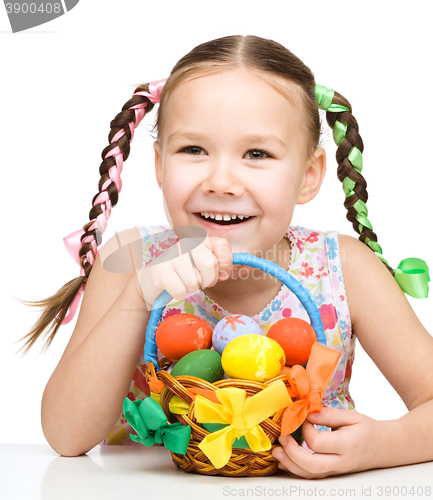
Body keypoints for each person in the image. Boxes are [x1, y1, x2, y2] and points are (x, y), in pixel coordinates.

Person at [18, 35, 433, 479]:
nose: (221, 181)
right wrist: (140, 295)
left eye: (257, 154)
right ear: (159, 164)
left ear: (309, 175)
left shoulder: (344, 268)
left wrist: (383, 444)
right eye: (193, 150)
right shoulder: (129, 260)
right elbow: (65, 435)